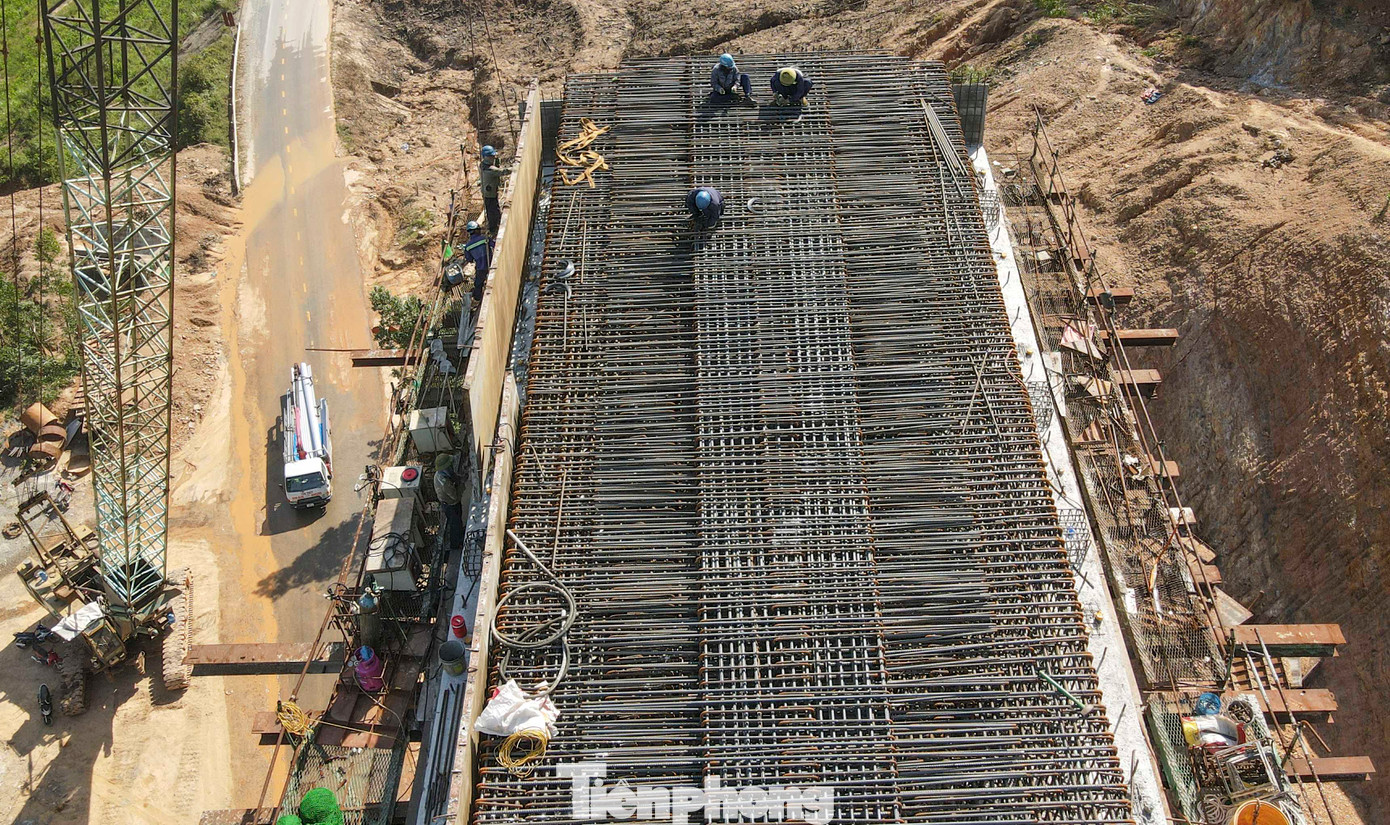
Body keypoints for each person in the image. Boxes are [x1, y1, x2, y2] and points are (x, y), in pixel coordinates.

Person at [433, 452, 464, 551]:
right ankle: (455, 546)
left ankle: (458, 538)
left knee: (456, 522)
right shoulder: (445, 483)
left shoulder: (439, 474)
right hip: (451, 505)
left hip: (447, 504)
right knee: (455, 524)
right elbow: (454, 497)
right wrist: (461, 486)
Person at [479, 145, 512, 234]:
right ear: (485, 157)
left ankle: (496, 225)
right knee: (492, 211)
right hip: (489, 194)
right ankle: (494, 229)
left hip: (489, 191)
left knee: (494, 209)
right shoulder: (489, 169)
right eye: (491, 156)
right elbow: (501, 172)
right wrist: (514, 168)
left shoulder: (483, 165)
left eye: (493, 156)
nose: (492, 158)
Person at [462, 221, 494, 304]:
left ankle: (477, 299)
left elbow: (469, 259)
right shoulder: (484, 239)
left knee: (478, 283)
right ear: (476, 230)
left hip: (480, 267)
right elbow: (494, 245)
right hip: (491, 263)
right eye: (479, 229)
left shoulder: (468, 246)